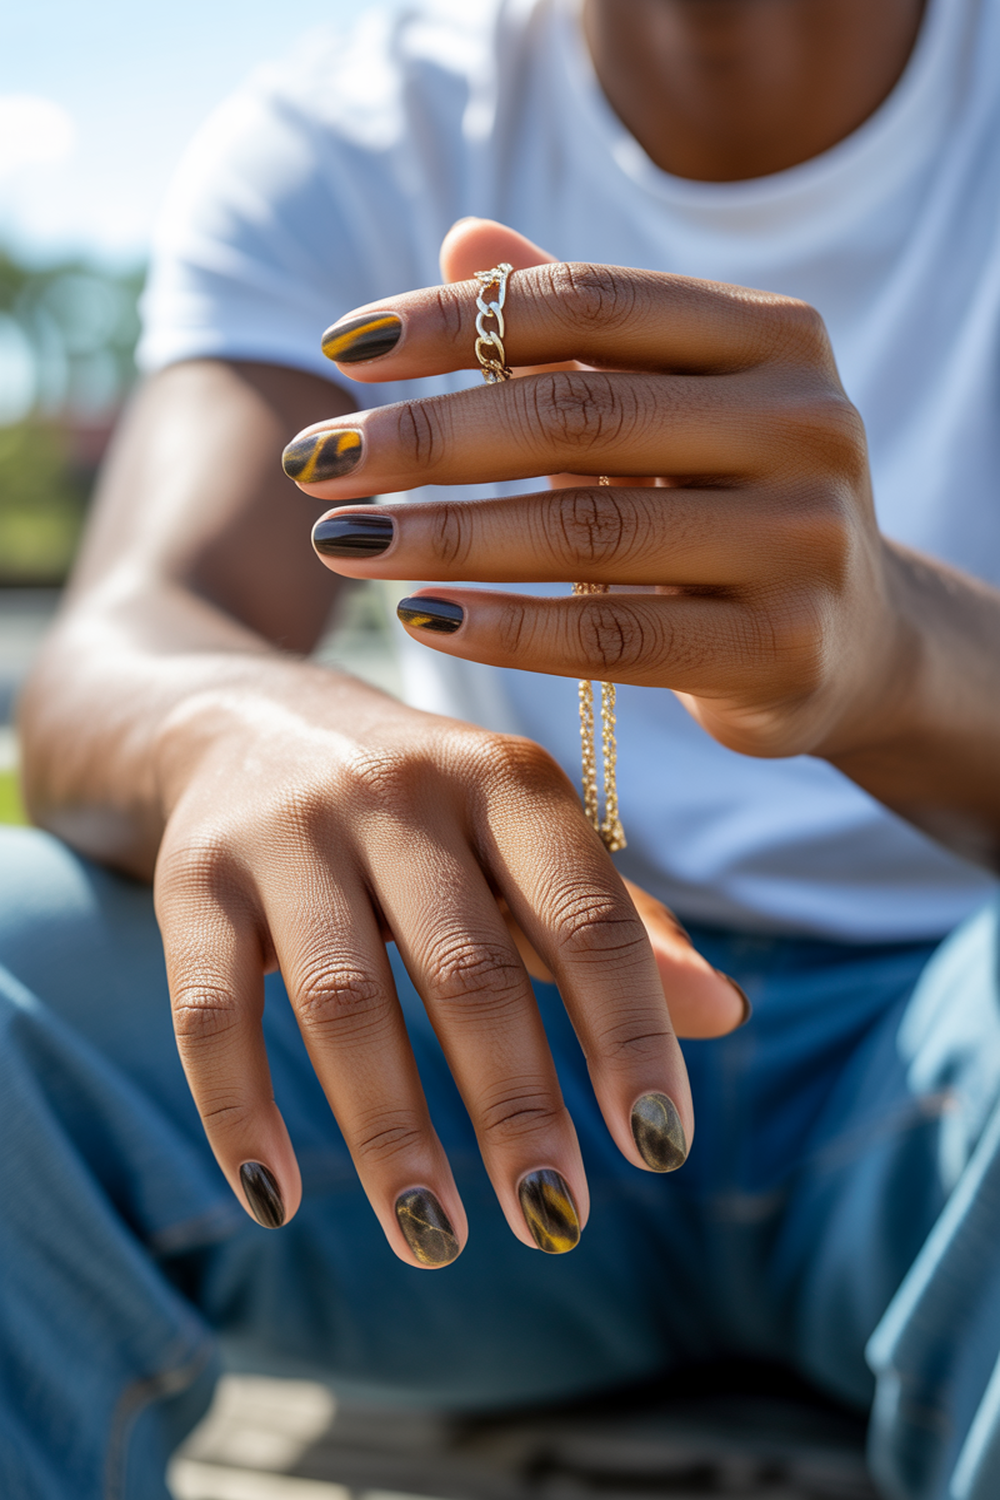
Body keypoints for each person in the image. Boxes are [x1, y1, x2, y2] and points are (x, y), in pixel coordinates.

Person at [4, 0, 1000, 1495]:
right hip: (488, 1043)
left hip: (947, 1042)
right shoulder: (355, 131)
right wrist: (243, 720)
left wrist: (898, 649)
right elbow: (124, 638)